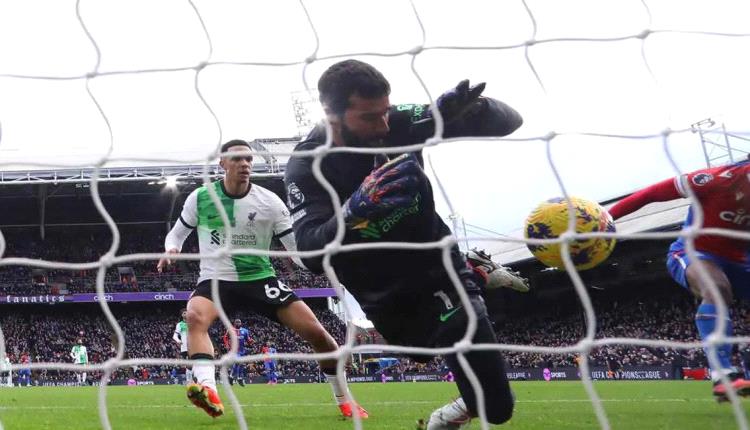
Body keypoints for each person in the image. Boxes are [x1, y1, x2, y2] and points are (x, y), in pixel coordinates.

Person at [284, 59, 523, 429]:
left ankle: (471, 276)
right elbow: (310, 252)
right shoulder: (307, 164)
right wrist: (353, 210)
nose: (382, 125)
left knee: (497, 409)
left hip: (439, 267)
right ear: (331, 114)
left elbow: (511, 122)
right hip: (385, 292)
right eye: (368, 117)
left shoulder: (401, 121)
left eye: (386, 112)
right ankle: (477, 273)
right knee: (421, 349)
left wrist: (473, 110)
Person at [157, 139, 367, 419]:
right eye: (237, 159)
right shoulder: (200, 197)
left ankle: (344, 399)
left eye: (248, 160)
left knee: (318, 335)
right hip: (216, 278)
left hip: (260, 279)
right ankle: (208, 390)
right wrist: (172, 249)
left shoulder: (270, 202)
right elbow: (178, 233)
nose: (244, 164)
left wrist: (322, 261)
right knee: (195, 316)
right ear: (222, 163)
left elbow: (295, 251)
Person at [609, 158, 750, 401]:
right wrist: (607, 219)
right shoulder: (714, 180)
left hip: (740, 261)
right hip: (693, 252)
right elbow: (650, 194)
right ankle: (723, 375)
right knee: (716, 288)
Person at [223, 318, 253, 386]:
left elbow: (248, 340)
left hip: (242, 350)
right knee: (239, 362)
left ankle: (231, 377)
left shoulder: (245, 331)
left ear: (241, 323)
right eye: (237, 322)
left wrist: (251, 341)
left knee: (240, 364)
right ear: (234, 323)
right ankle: (239, 379)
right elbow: (225, 337)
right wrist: (227, 345)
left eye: (239, 322)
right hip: (234, 350)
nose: (238, 323)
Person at [172, 308, 192, 384]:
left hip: (195, 347)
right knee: (189, 365)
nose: (186, 314)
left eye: (187, 312)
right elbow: (175, 336)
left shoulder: (193, 323)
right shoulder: (180, 324)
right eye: (184, 313)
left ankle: (194, 380)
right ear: (182, 315)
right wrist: (178, 341)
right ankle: (189, 381)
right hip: (185, 348)